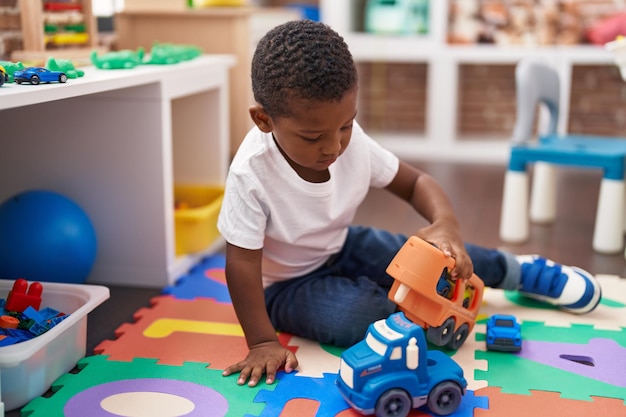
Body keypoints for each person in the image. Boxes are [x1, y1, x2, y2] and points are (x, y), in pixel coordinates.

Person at [217, 19, 602, 387]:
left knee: (444, 255)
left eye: (346, 125)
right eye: (313, 136)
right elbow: (241, 264)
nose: (334, 146)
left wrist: (445, 226)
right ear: (264, 120)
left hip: (343, 243)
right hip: (286, 286)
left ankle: (522, 272)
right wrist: (263, 342)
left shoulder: (351, 144)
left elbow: (417, 182)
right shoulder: (250, 174)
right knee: (361, 317)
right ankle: (413, 318)